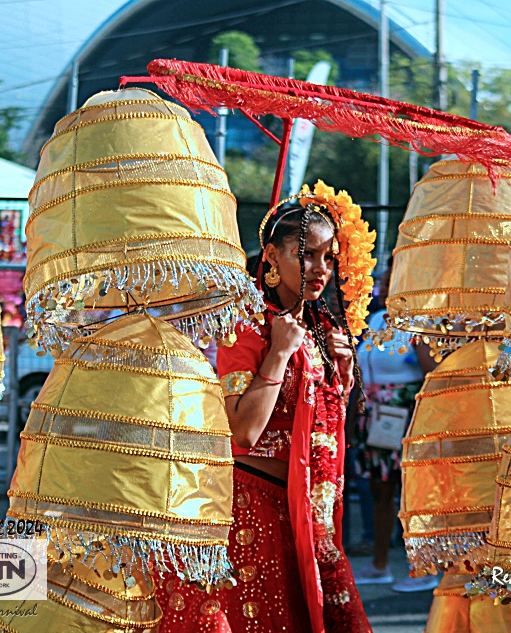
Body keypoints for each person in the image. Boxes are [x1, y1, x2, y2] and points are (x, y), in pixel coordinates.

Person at [156, 189, 373, 633]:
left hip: (305, 516)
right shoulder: (247, 325)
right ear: (272, 255)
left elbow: (317, 430)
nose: (320, 270)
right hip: (255, 510)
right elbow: (242, 431)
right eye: (306, 255)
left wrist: (343, 379)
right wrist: (277, 354)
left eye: (328, 258)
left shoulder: (317, 326)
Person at [350, 261, 427, 592]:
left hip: (407, 415)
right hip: (374, 418)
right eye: (381, 283)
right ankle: (380, 565)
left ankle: (422, 569)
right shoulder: (377, 320)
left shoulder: (422, 324)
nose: (382, 289)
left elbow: (429, 373)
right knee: (380, 491)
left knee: (413, 493)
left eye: (389, 283)